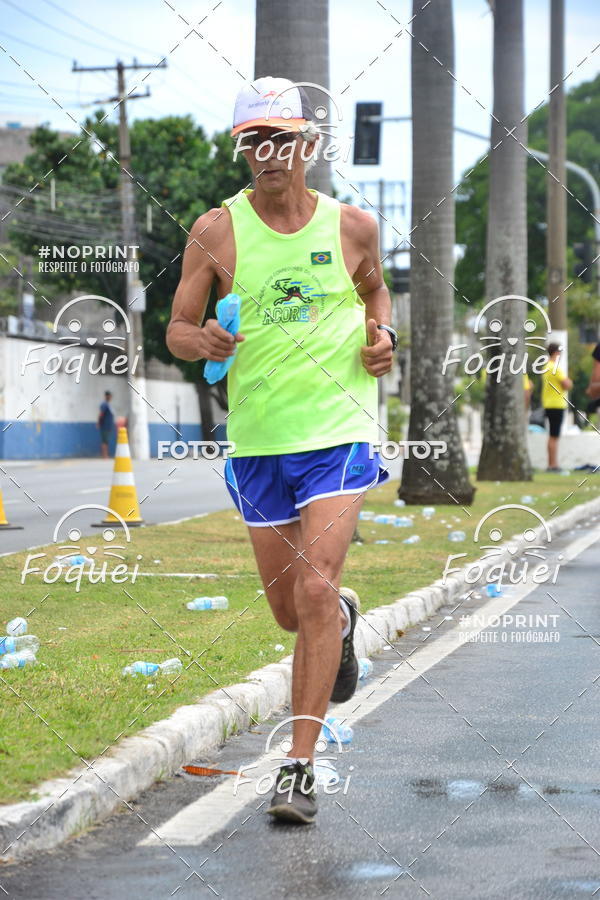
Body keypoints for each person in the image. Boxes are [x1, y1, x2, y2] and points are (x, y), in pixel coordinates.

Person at [167, 76, 395, 824]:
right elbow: (176, 327)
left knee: (318, 587)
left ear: (305, 145)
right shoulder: (216, 231)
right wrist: (200, 339)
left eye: (281, 139)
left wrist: (384, 337)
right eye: (253, 141)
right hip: (259, 442)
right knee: (290, 612)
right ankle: (343, 625)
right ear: (243, 150)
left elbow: (375, 294)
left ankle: (297, 767)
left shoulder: (352, 227)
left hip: (337, 430)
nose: (268, 153)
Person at [541, 343, 572, 472]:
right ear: (556, 353)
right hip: (557, 405)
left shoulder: (546, 367)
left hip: (548, 404)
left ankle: (551, 463)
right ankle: (553, 465)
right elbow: (567, 384)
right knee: (554, 436)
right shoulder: (555, 368)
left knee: (552, 435)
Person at [97, 391, 115, 459]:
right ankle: (104, 455)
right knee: (104, 441)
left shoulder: (108, 405)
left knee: (106, 441)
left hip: (108, 426)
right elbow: (101, 414)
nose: (111, 398)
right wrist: (99, 423)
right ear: (107, 396)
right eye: (110, 396)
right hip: (104, 426)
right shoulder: (104, 404)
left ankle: (106, 454)